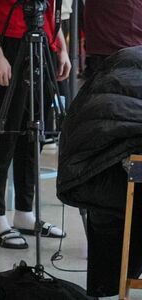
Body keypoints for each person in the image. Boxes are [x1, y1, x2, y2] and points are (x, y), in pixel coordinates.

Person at [0, 0, 70, 249]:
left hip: (44, 45)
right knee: (3, 134)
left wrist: (61, 48)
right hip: (12, 45)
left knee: (34, 134)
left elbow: (50, 9)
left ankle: (24, 212)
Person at [58, 46, 142, 298]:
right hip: (110, 173)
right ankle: (112, 283)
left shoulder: (124, 57)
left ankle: (107, 285)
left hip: (94, 170)